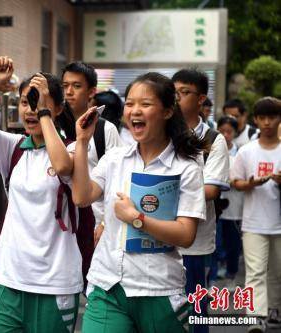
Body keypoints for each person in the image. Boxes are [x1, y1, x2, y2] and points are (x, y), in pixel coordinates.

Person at [72, 72, 206, 332]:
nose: (134, 111)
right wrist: (82, 141)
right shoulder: (115, 159)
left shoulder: (186, 167)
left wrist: (137, 218)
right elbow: (81, 195)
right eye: (130, 103)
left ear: (167, 111)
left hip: (158, 289)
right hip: (107, 286)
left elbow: (186, 234)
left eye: (145, 104)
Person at [0, 56, 82, 333]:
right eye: (25, 102)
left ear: (59, 108)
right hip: (9, 277)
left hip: (55, 282)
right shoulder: (14, 147)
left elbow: (63, 166)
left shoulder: (76, 149)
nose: (30, 110)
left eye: (38, 102)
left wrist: (44, 114)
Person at [172, 68, 230, 333]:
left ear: (201, 99)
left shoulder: (213, 140)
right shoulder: (160, 132)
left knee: (194, 311)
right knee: (162, 311)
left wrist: (164, 192)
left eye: (184, 93)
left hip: (194, 242)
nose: (176, 98)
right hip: (157, 236)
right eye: (173, 92)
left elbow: (210, 190)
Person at [230, 97, 281, 332]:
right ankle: (256, 317)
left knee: (278, 272)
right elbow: (235, 182)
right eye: (263, 118)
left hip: (278, 222)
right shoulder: (247, 151)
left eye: (273, 117)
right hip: (253, 222)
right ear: (256, 120)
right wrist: (248, 184)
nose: (268, 122)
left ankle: (274, 311)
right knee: (256, 271)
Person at [61, 61, 123, 246]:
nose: (69, 91)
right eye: (65, 86)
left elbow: (117, 179)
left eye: (76, 86)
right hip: (56, 224)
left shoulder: (105, 129)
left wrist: (105, 222)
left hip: (92, 224)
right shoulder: (51, 127)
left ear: (91, 92)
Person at [209, 116, 244, 286]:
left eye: (229, 132)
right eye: (222, 131)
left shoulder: (241, 153)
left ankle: (231, 273)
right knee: (216, 241)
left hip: (234, 207)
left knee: (233, 243)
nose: (225, 135)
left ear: (235, 133)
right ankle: (214, 275)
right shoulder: (212, 150)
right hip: (215, 206)